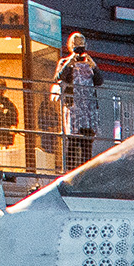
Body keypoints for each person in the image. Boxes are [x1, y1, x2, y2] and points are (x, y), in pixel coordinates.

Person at [50, 32, 103, 170]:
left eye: (81, 44)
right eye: (76, 44)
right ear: (70, 46)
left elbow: (99, 81)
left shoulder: (88, 62)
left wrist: (94, 66)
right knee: (72, 142)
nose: (79, 48)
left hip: (88, 109)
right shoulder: (64, 62)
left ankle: (86, 172)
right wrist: (69, 62)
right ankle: (70, 172)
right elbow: (58, 77)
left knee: (87, 144)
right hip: (74, 108)